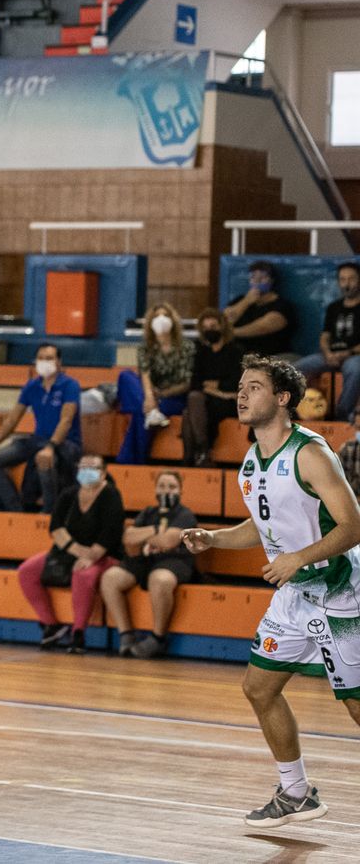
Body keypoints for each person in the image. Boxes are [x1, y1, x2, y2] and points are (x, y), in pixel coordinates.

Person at [180, 355, 360, 828]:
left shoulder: (310, 453)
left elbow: (353, 526)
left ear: (282, 398)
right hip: (295, 594)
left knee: (357, 705)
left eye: (254, 387)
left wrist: (298, 557)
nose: (241, 394)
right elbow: (264, 527)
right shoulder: (251, 462)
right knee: (259, 688)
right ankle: (296, 793)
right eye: (241, 387)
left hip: (341, 593)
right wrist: (215, 538)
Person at [15, 453, 123, 654]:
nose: (86, 471)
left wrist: (90, 556)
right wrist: (77, 551)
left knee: (83, 573)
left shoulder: (111, 495)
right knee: (26, 571)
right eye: (83, 467)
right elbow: (56, 528)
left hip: (104, 554)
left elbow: (111, 532)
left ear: (103, 473)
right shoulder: (69, 494)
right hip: (70, 551)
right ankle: (51, 624)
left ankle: (78, 633)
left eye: (92, 467)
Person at [100, 471, 198, 658]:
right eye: (162, 486)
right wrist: (156, 530)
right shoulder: (148, 512)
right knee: (110, 578)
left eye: (172, 487)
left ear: (180, 491)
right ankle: (126, 634)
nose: (166, 491)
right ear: (155, 490)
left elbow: (169, 541)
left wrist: (145, 536)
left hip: (175, 561)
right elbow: (128, 538)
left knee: (159, 579)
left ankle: (158, 638)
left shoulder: (185, 515)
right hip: (144, 561)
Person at [0, 343, 82, 512]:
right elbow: (12, 419)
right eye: (40, 358)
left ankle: (50, 511)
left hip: (66, 443)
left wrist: (51, 447)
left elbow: (66, 420)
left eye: (49, 358)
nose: (44, 362)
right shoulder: (31, 386)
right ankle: (16, 510)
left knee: (44, 458)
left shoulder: (70, 385)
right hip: (37, 440)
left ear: (59, 362)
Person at [116, 303, 194, 464]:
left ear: (172, 320)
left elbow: (187, 382)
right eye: (157, 316)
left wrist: (160, 395)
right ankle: (152, 413)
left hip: (174, 397)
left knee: (140, 412)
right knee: (126, 376)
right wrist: (150, 398)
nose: (161, 319)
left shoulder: (186, 347)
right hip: (149, 395)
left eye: (165, 315)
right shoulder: (145, 348)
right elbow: (145, 375)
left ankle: (130, 462)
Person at [296, 262, 360, 421]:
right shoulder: (334, 307)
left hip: (354, 355)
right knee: (295, 368)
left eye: (351, 279)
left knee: (355, 369)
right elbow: (325, 336)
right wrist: (327, 353)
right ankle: (300, 411)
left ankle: (342, 416)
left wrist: (348, 352)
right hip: (330, 355)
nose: (347, 283)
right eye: (343, 279)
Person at [184, 308, 245, 466]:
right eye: (205, 328)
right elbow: (195, 383)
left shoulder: (235, 351)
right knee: (194, 401)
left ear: (222, 326)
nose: (209, 330)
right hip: (213, 398)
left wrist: (213, 386)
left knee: (190, 412)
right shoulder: (200, 351)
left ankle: (192, 458)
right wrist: (220, 390)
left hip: (228, 403)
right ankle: (202, 453)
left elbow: (235, 383)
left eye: (213, 326)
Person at [223, 260, 298, 358]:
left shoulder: (282, 305)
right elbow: (225, 320)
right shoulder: (240, 300)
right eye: (253, 277)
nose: (257, 281)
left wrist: (231, 333)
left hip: (272, 355)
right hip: (240, 354)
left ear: (272, 280)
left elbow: (262, 328)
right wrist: (246, 302)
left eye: (263, 277)